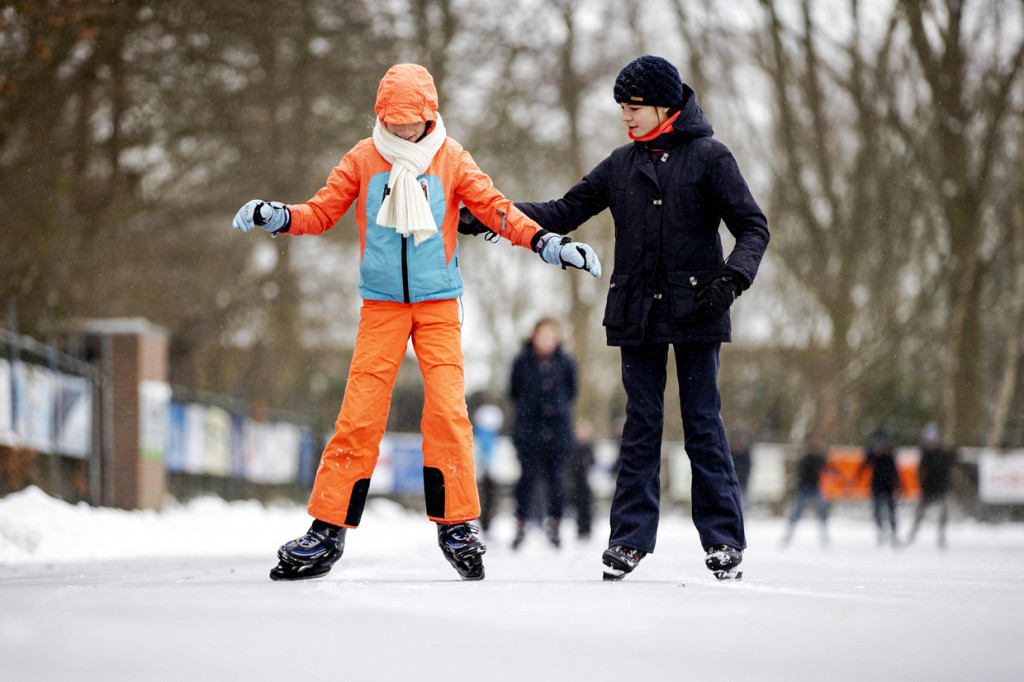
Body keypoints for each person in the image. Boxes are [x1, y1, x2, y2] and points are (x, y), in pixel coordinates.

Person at [231, 63, 601, 582]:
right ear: (380, 115)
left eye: (411, 121)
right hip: (380, 306)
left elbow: (496, 211)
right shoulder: (363, 158)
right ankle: (326, 529)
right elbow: (321, 211)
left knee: (449, 412)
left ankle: (456, 524)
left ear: (429, 115)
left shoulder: (452, 160)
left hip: (438, 306)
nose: (402, 130)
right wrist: (279, 215)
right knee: (358, 416)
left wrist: (548, 242)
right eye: (392, 120)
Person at [465, 55, 769, 580]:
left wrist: (732, 280)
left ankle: (723, 541)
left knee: (702, 423)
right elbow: (564, 210)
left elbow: (753, 227)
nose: (626, 117)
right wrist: (494, 216)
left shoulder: (710, 157)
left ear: (664, 106)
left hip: (698, 308)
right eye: (621, 109)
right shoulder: (620, 164)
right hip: (637, 315)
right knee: (640, 426)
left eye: (634, 108)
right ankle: (629, 539)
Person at [508, 317, 578, 549]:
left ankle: (556, 525)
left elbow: (571, 391)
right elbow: (513, 391)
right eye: (542, 335)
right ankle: (520, 525)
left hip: (558, 431)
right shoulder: (522, 361)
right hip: (528, 430)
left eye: (551, 336)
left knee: (557, 480)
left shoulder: (566, 362)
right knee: (526, 479)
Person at [905, 423, 957, 548]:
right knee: (920, 513)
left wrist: (945, 485)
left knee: (943, 513)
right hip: (928, 490)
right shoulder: (925, 455)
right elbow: (920, 472)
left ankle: (941, 536)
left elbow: (948, 470)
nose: (931, 444)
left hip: (940, 489)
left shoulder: (943, 455)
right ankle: (913, 534)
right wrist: (923, 485)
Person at [781, 436, 833, 547]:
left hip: (815, 487)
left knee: (822, 511)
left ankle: (824, 536)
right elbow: (801, 473)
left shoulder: (820, 458)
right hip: (805, 487)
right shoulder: (806, 458)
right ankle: (788, 535)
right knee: (797, 512)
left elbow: (828, 468)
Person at [858, 428, 901, 547]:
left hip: (888, 487)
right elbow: (863, 467)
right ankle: (881, 531)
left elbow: (895, 473)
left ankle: (893, 533)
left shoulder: (889, 456)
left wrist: (898, 486)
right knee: (877, 511)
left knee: (891, 511)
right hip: (877, 487)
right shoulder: (873, 456)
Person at [471, 402, 504, 533]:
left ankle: (485, 523)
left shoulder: (485, 437)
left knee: (486, 496)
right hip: (484, 470)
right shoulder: (484, 438)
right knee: (485, 496)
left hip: (487, 470)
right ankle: (484, 522)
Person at [567, 420, 596, 541]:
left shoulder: (588, 448)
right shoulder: (574, 447)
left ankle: (586, 529)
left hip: (586, 483)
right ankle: (581, 529)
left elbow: (592, 463)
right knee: (579, 507)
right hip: (577, 483)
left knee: (586, 507)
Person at [729, 427, 753, 510]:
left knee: (743, 501)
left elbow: (748, 467)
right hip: (733, 482)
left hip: (742, 482)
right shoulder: (731, 453)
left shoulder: (745, 453)